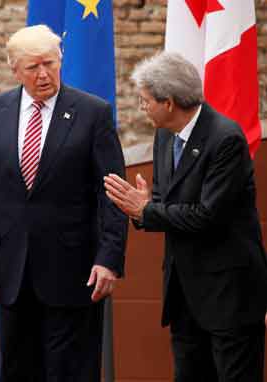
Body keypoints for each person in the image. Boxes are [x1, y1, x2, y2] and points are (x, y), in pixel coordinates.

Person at [0, 24, 128, 381]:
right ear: (15, 70)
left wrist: (109, 259)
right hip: (11, 273)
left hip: (75, 271)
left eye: (50, 64)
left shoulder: (92, 112)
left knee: (72, 372)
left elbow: (111, 193)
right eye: (32, 67)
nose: (43, 74)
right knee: (18, 370)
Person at [104, 51, 267, 381]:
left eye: (145, 100)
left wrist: (147, 210)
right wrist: (145, 206)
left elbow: (207, 215)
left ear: (169, 102)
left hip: (228, 295)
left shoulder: (226, 139)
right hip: (184, 295)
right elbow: (165, 202)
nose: (141, 107)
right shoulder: (164, 135)